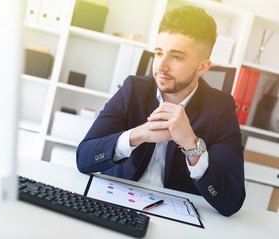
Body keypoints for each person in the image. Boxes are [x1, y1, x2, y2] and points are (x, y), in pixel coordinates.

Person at [76, 5, 245, 217]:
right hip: (117, 206)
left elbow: (232, 201)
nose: (161, 66)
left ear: (202, 67)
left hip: (175, 218)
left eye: (176, 57)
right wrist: (137, 135)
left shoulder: (220, 108)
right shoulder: (133, 89)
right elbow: (83, 158)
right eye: (158, 53)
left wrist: (192, 147)